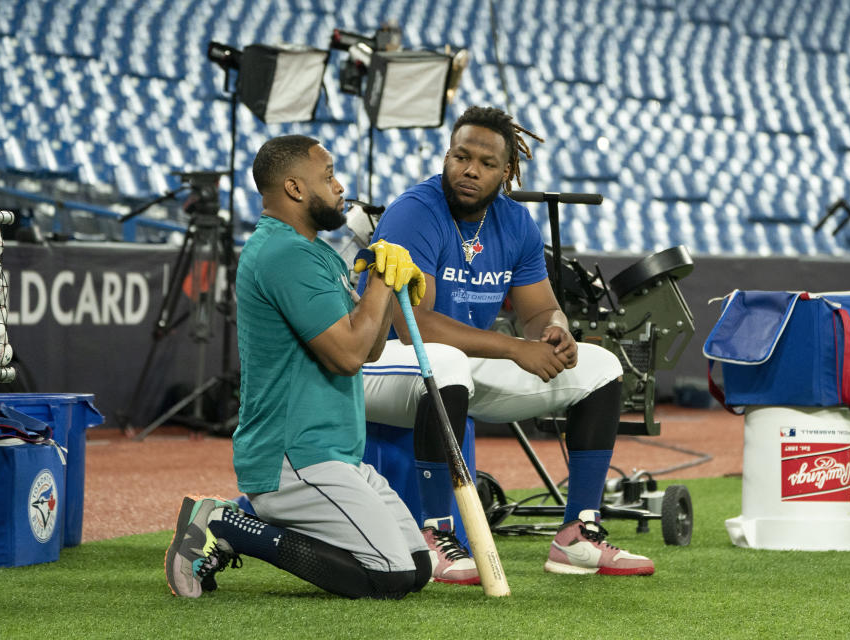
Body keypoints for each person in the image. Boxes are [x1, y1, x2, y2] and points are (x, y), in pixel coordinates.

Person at [358, 106, 655, 583]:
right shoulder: (415, 212)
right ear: (447, 156)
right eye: (460, 156)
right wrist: (516, 348)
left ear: (507, 172)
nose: (470, 170)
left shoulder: (515, 223)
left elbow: (538, 309)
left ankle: (576, 533)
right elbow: (417, 326)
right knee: (446, 358)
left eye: (486, 163)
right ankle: (436, 535)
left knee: (601, 367)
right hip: (382, 364)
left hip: (458, 370)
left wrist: (554, 328)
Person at [164, 134, 430, 600]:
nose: (340, 186)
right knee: (387, 576)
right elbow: (348, 356)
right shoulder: (286, 255)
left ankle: (242, 519)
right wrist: (379, 282)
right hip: (295, 455)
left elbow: (369, 350)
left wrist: (386, 283)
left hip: (332, 452)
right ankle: (227, 523)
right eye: (328, 177)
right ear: (294, 189)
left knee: (418, 567)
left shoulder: (313, 252)